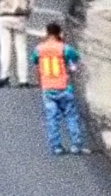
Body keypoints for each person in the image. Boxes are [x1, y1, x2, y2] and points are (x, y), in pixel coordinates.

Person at [30, 22, 91, 155]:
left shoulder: (39, 49)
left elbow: (34, 60)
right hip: (64, 86)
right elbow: (75, 56)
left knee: (52, 118)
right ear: (59, 33)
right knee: (70, 116)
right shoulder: (64, 48)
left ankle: (56, 146)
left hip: (47, 88)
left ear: (47, 33)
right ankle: (76, 145)